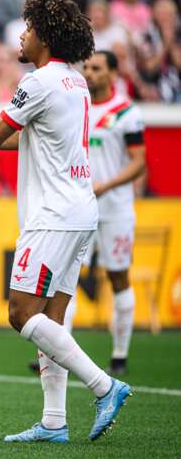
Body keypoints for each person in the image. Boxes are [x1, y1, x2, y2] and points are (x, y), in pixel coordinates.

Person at [0, 0, 131, 443]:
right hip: (79, 211)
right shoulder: (74, 81)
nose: (22, 35)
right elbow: (17, 141)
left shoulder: (38, 82)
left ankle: (104, 385)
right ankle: (54, 421)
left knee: (21, 314)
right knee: (51, 322)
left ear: (44, 36)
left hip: (52, 216)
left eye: (28, 28)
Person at [81, 50, 146, 375]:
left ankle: (120, 354)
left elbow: (138, 161)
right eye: (87, 68)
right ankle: (50, 354)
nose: (89, 73)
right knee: (64, 276)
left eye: (96, 68)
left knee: (118, 275)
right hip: (79, 206)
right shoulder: (76, 106)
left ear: (112, 74)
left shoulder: (126, 113)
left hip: (115, 207)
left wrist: (107, 185)